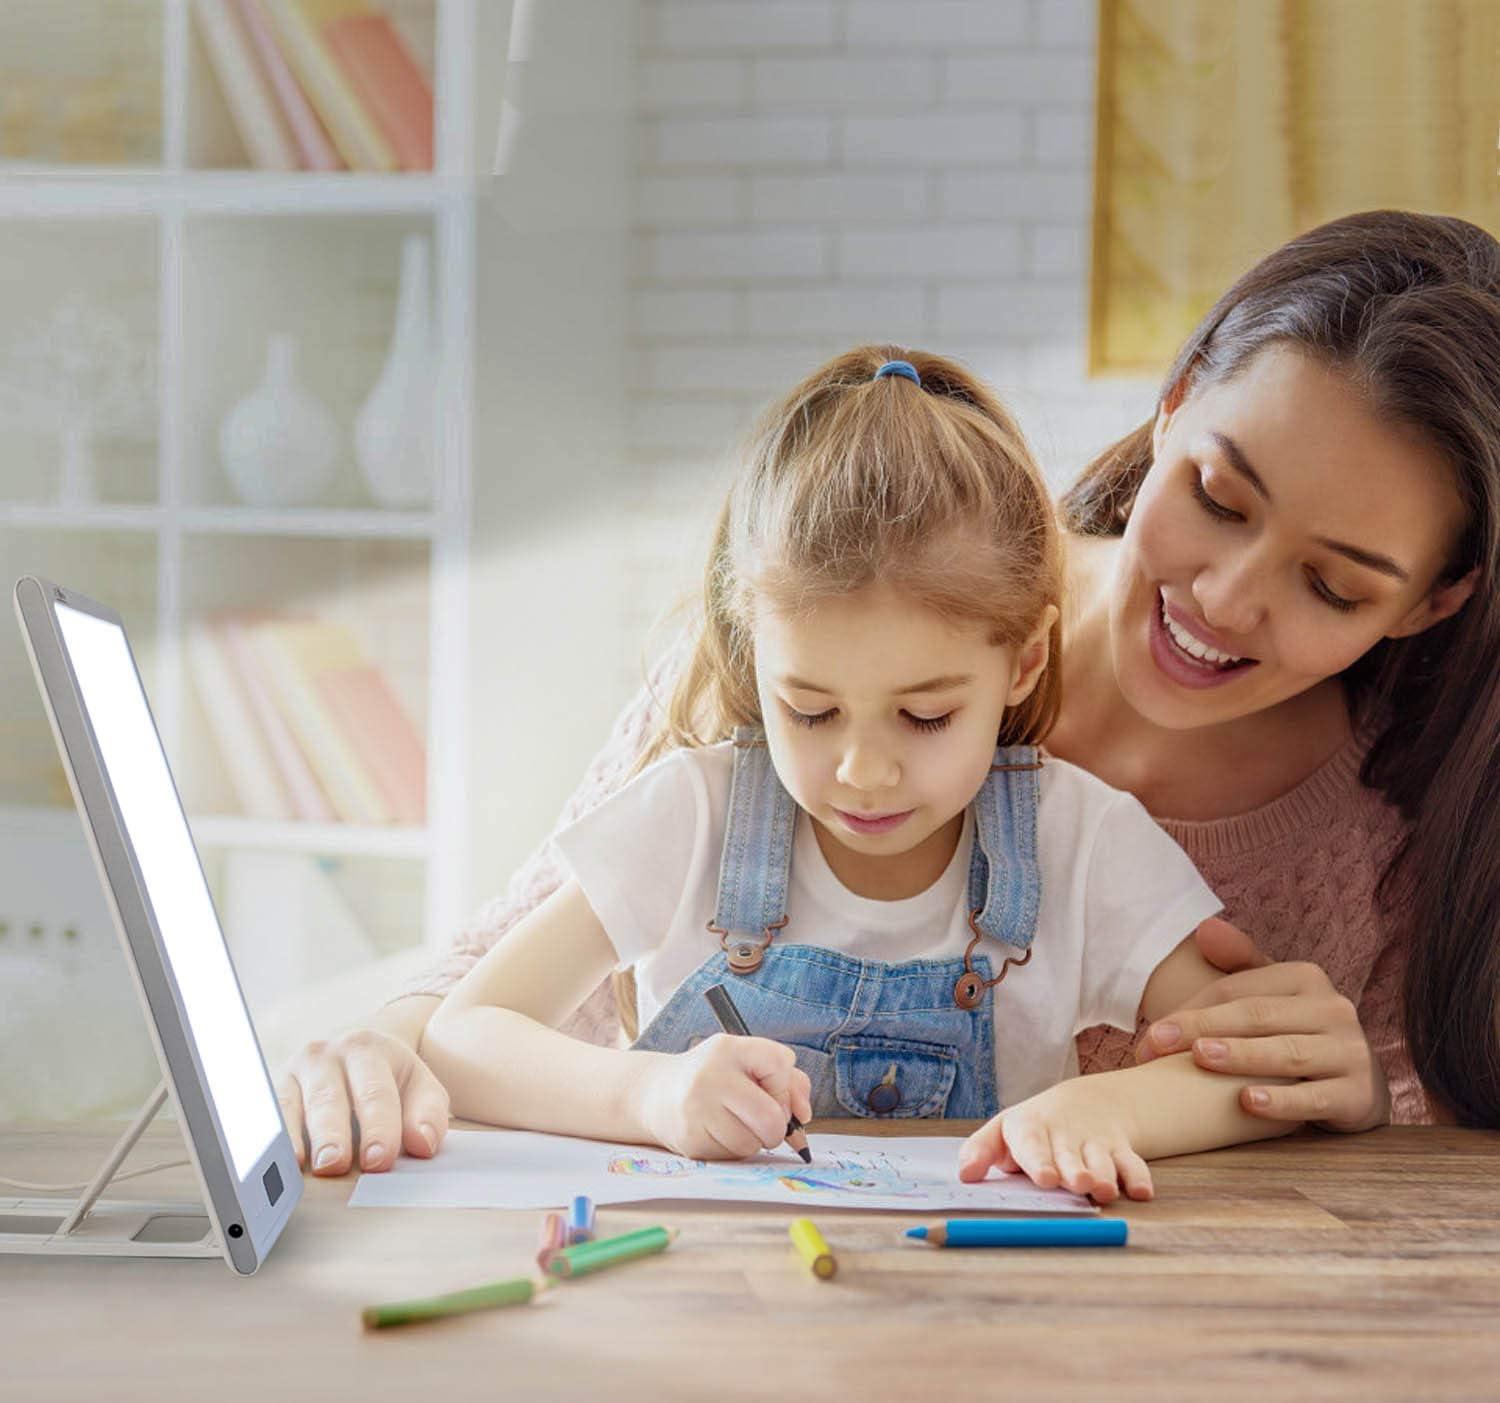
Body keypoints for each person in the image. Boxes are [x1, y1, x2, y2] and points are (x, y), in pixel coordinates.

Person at [279, 208, 1498, 1183]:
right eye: (1220, 500)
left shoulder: (1369, 836)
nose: (1228, 596)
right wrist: (400, 1043)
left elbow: (1349, 1139)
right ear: (1171, 403)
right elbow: (481, 990)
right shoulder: (844, 599)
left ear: (1430, 602)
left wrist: (1341, 1098)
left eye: (1332, 586)